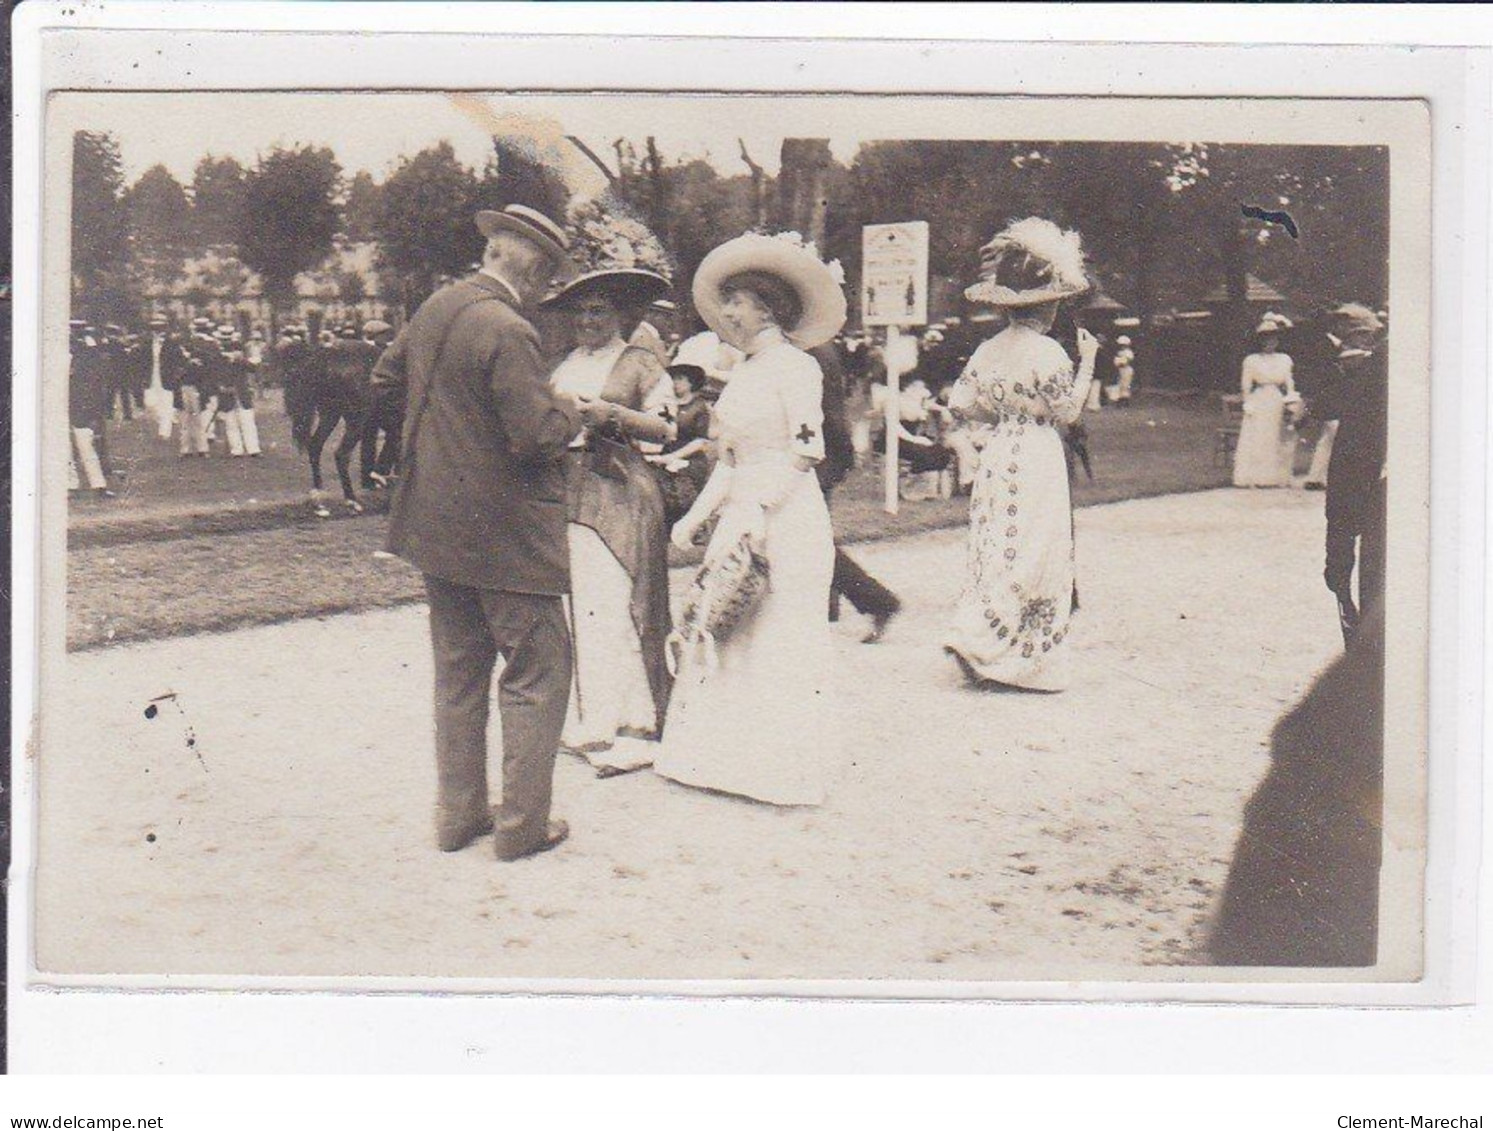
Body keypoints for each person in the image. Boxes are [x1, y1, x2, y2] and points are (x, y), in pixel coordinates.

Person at [378, 204, 581, 861]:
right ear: (535, 271)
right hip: (506, 533)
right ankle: (522, 826)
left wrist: (439, 442)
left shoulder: (436, 307)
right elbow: (535, 435)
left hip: (435, 526)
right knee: (537, 669)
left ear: (493, 253)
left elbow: (385, 379)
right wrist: (569, 413)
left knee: (459, 674)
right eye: (548, 277)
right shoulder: (510, 328)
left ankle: (458, 816)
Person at [655, 231, 846, 806]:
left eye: (735, 300)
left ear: (765, 306)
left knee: (778, 632)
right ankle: (718, 758)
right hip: (745, 512)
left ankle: (776, 768)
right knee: (728, 623)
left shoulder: (796, 368)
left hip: (786, 514)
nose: (727, 311)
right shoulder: (743, 371)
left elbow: (806, 451)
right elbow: (730, 460)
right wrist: (697, 517)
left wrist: (760, 509)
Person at [944, 217, 1098, 693]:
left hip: (1000, 451)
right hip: (1036, 453)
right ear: (1047, 305)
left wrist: (1002, 411)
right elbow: (1068, 412)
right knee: (1036, 546)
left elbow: (961, 403)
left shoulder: (988, 349)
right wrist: (1088, 361)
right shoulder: (1049, 352)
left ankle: (978, 634)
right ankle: (1020, 659)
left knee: (996, 543)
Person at [542, 258, 678, 777]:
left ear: (619, 314)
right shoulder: (564, 363)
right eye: (580, 312)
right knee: (584, 605)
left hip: (619, 487)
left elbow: (665, 429)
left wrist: (612, 415)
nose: (588, 322)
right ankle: (594, 717)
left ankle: (636, 721)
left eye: (599, 312)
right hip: (569, 490)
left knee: (619, 603)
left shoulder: (640, 362)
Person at [812, 339, 902, 643]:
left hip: (813, 459)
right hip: (816, 457)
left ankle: (878, 601)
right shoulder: (812, 346)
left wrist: (831, 463)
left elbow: (825, 414)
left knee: (810, 542)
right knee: (813, 542)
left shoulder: (811, 351)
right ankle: (838, 604)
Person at [1317, 303, 1387, 644]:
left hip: (1371, 463)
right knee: (1349, 546)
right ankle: (1347, 602)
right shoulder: (1353, 370)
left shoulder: (1372, 368)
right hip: (1360, 464)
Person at [1232, 313, 1300, 488]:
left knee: (1276, 436)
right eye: (1266, 339)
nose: (1270, 343)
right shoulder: (1252, 360)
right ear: (1260, 341)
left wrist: (1291, 400)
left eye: (1273, 339)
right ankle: (1254, 477)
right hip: (1260, 399)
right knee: (1259, 437)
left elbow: (1289, 382)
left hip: (1277, 399)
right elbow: (1246, 385)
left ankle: (1276, 477)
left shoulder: (1285, 359)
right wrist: (1247, 403)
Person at [648, 362, 715, 525]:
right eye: (672, 378)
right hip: (663, 456)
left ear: (691, 382)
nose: (675, 383)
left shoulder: (699, 407)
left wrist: (671, 457)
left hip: (690, 459)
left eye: (680, 378)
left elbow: (701, 441)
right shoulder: (667, 405)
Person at [361, 320, 404, 486]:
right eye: (384, 335)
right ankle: (380, 471)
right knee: (395, 433)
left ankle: (370, 477)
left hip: (369, 401)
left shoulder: (373, 350)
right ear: (374, 335)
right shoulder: (376, 352)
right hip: (379, 401)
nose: (387, 338)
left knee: (369, 439)